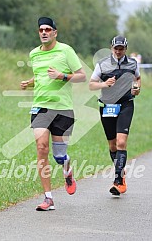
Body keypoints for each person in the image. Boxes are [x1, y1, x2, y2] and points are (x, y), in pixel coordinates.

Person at [21, 17, 86, 210]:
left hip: (63, 109)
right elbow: (41, 75)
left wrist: (62, 76)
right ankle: (48, 198)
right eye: (41, 29)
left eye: (48, 29)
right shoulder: (34, 54)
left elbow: (82, 76)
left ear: (55, 33)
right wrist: (29, 82)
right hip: (40, 107)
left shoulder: (66, 51)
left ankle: (67, 169)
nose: (44, 32)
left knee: (59, 156)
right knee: (42, 148)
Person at [89, 35, 141, 196]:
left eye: (121, 48)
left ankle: (118, 181)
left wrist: (137, 88)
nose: (118, 51)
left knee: (121, 141)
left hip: (126, 104)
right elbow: (91, 84)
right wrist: (104, 84)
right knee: (112, 145)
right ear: (111, 48)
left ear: (126, 49)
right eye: (116, 48)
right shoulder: (102, 64)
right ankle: (122, 172)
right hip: (107, 106)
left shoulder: (132, 63)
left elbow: (137, 78)